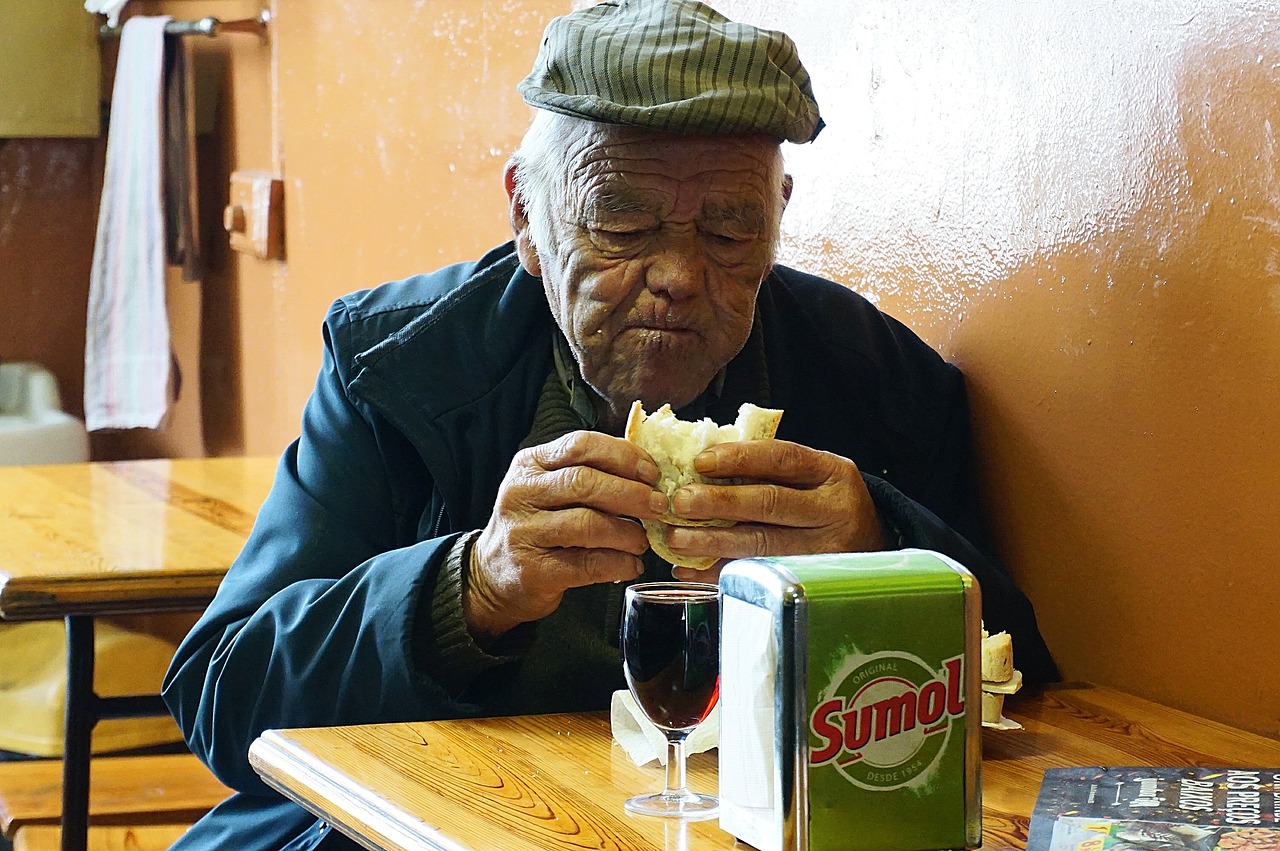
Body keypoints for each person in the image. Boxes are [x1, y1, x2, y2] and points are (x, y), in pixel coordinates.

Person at [163, 2, 1057, 848]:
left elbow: (1023, 681)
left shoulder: (875, 379)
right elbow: (222, 696)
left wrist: (881, 546)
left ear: (779, 213)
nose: (678, 276)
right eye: (623, 222)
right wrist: (469, 587)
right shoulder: (399, 368)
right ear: (527, 215)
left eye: (729, 231)